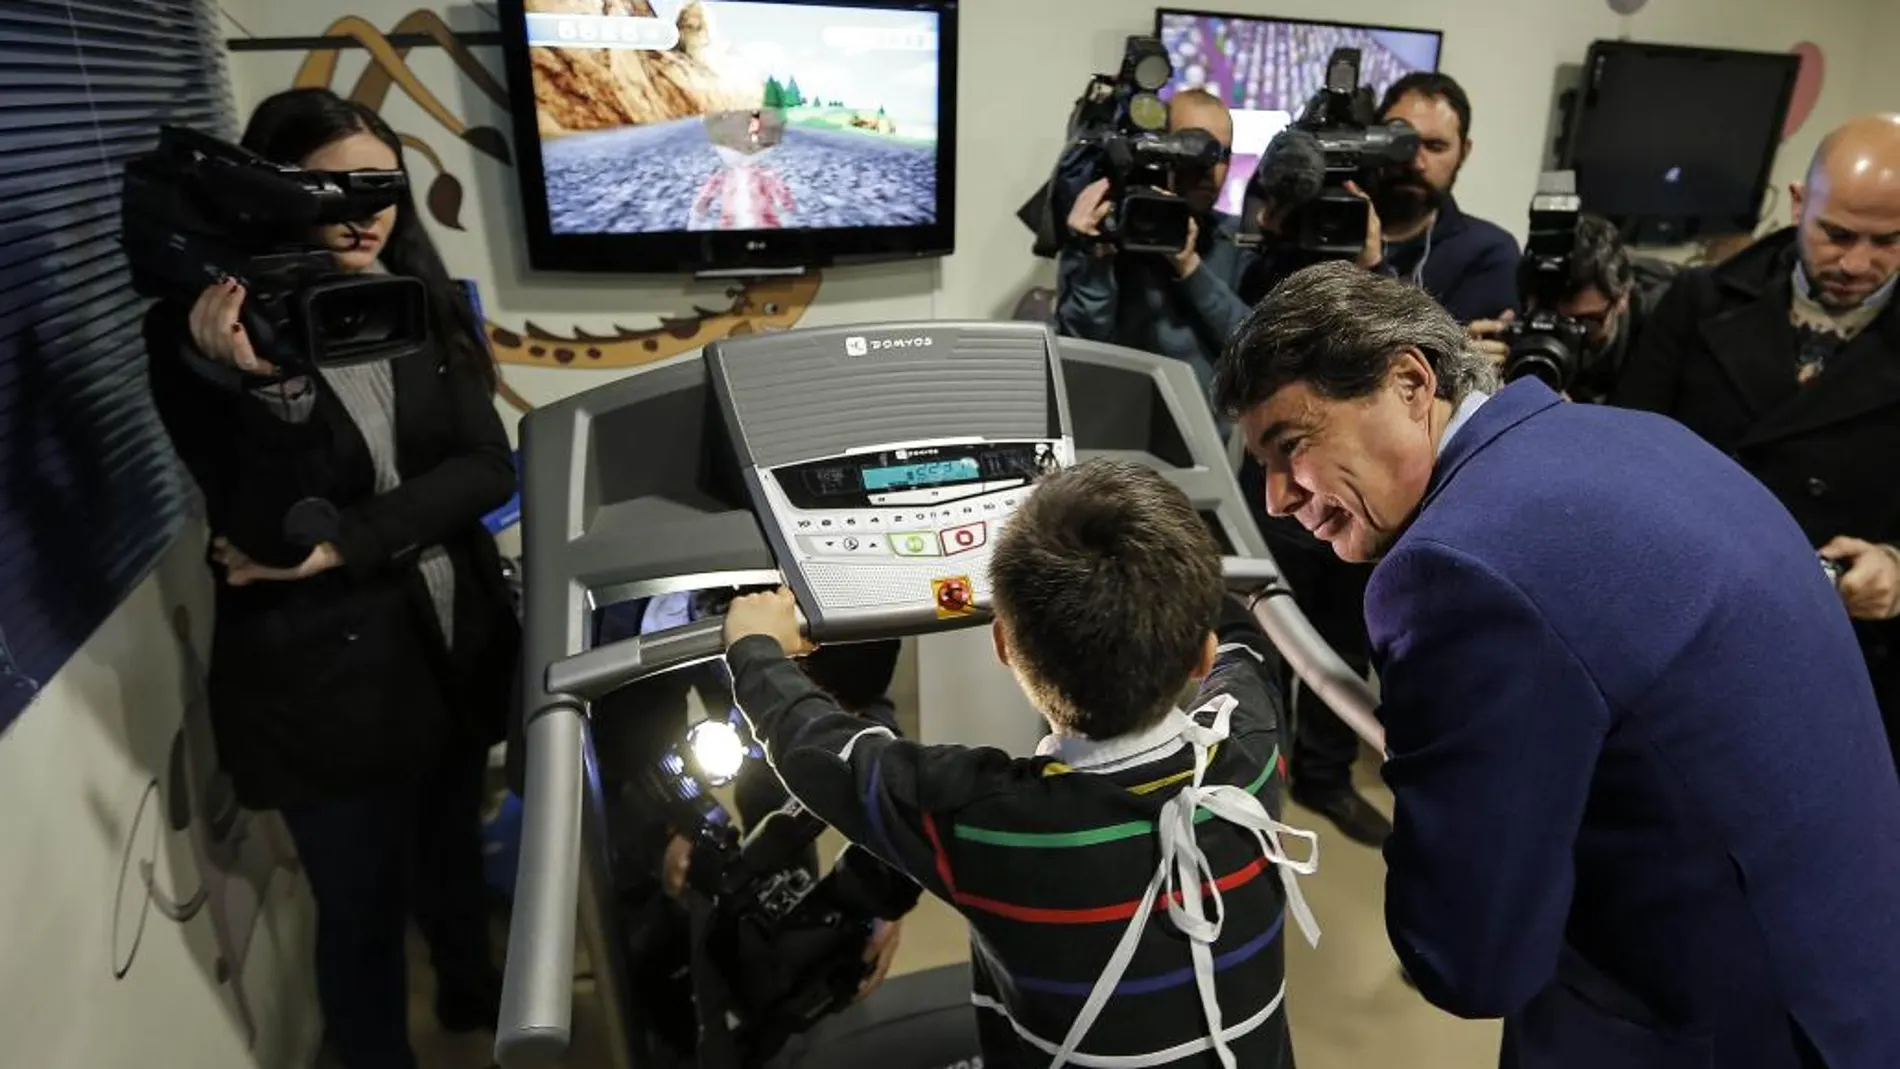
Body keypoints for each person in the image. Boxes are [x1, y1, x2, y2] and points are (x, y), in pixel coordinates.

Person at [1216, 260, 1900, 1069]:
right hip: (1846, 964)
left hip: (1713, 1022)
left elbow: (1470, 957)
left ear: (1408, 380)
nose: (1276, 498)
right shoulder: (1631, 434)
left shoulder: (1458, 569)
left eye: (1291, 446)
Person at [143, 87, 519, 1069]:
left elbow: (488, 466)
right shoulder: (204, 328)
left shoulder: (419, 291)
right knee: (358, 907)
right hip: (325, 680)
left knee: (450, 850)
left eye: (380, 186)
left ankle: (472, 991)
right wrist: (270, 388)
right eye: (331, 187)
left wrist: (347, 542)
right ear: (270, 194)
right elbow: (267, 527)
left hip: (450, 637)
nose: (363, 212)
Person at [720, 460, 1316, 1069]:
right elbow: (1243, 644)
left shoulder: (987, 820)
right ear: (1200, 658)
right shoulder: (1251, 748)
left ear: (1004, 645)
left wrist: (755, 648)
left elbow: (819, 750)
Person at [1615, 114, 1900, 762]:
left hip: (1850, 653)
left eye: (1888, 241)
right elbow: (1628, 457)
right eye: (1837, 233)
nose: (1857, 262)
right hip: (1692, 622)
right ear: (1799, 203)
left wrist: (1896, 567)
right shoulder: (1700, 299)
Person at [1056, 90, 1258, 411]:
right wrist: (1092, 258)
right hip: (1122, 437)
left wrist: (1189, 267)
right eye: (1194, 148)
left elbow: (1255, 349)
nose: (1209, 167)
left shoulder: (1235, 238)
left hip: (1207, 446)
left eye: (1221, 154)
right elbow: (1083, 347)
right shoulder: (1112, 231)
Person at [1468, 213, 1680, 402]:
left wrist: (1577, 420)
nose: (1565, 335)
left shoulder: (1662, 330)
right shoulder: (1514, 319)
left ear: (1622, 299)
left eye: (1584, 322)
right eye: (1548, 321)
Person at [1368, 72, 1520, 324]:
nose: (1415, 163)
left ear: (1464, 152)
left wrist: (1372, 267)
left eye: (1435, 146)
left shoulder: (1488, 252)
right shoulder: (1316, 231)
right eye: (1401, 142)